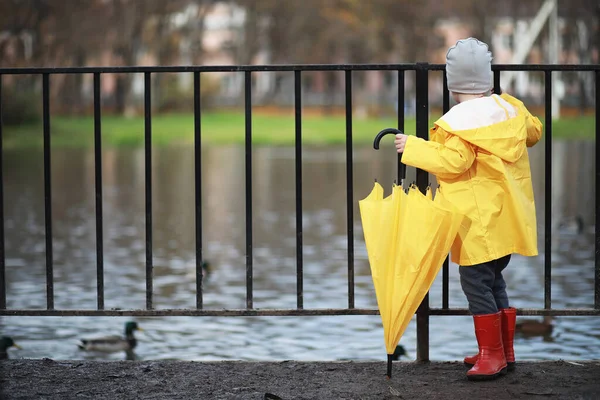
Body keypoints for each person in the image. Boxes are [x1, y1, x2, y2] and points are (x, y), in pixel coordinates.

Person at [394, 37, 542, 381]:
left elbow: (454, 162)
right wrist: (511, 104)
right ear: (488, 79)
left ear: (453, 84)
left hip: (478, 222)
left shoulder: (460, 123)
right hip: (506, 217)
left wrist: (412, 147)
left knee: (475, 283)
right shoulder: (509, 110)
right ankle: (503, 350)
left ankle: (492, 356)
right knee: (495, 280)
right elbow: (533, 132)